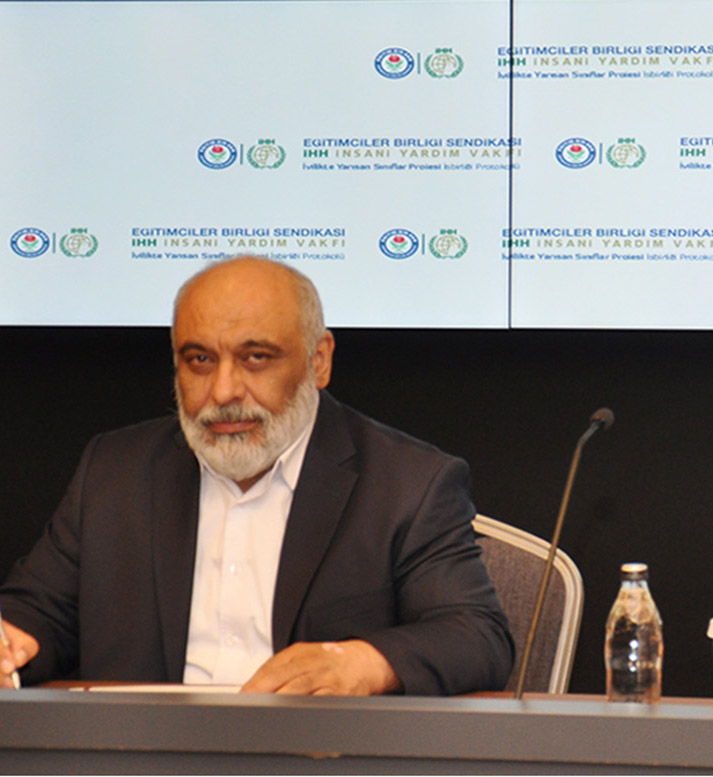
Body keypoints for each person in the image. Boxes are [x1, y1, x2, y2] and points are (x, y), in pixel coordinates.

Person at [0, 256, 513, 695]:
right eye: (200, 360)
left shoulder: (408, 483)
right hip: (143, 755)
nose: (224, 391)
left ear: (318, 361)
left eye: (256, 358)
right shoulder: (116, 471)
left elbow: (476, 634)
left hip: (316, 757)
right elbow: (36, 614)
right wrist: (11, 643)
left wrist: (362, 663)